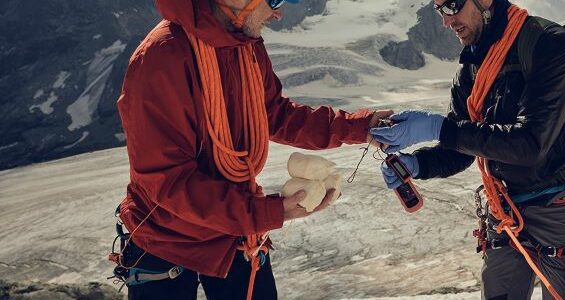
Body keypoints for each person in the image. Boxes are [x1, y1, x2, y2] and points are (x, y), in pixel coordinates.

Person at [112, 0, 390, 299]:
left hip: (235, 232)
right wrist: (266, 212)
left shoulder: (244, 43)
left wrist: (362, 127)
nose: (278, 13)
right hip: (167, 241)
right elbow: (168, 182)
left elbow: (273, 113)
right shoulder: (161, 58)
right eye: (273, 1)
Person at [370, 0, 565, 299]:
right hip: (505, 209)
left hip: (561, 209)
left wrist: (437, 127)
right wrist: (417, 164)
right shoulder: (471, 67)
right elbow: (460, 149)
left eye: (453, 6)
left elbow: (530, 144)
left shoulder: (549, 44)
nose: (447, 21)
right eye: (440, 10)